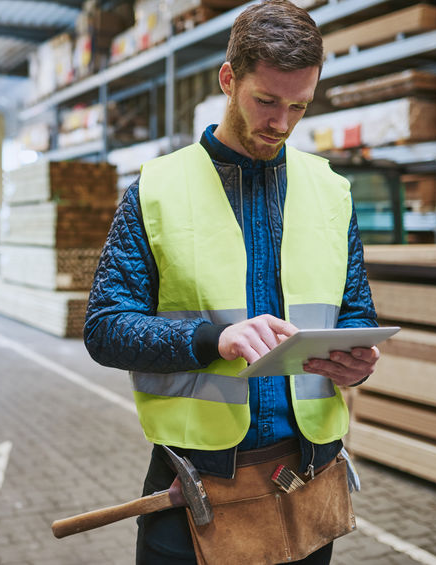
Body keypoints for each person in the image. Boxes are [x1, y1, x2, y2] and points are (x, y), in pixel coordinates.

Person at [84, 1, 379, 563]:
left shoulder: (331, 190)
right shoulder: (157, 190)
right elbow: (105, 328)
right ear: (228, 79)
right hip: (197, 482)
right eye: (265, 100)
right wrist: (211, 339)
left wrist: (356, 358)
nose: (282, 123)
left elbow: (355, 310)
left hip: (308, 474)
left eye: (298, 105)